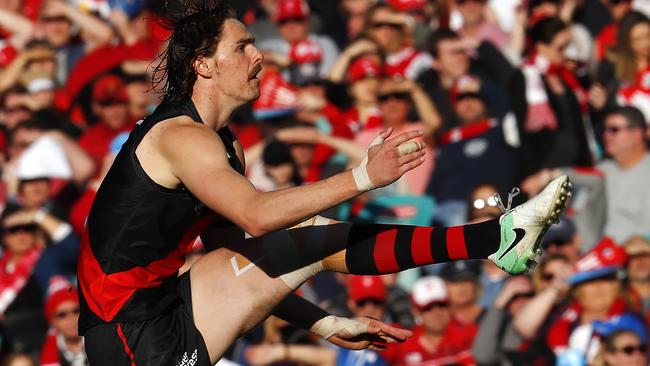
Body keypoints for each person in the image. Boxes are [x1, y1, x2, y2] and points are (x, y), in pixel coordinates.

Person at [76, 1, 571, 365]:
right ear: (203, 65)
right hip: (125, 333)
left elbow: (237, 248)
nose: (259, 56)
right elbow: (256, 216)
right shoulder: (181, 137)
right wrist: (360, 177)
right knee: (307, 233)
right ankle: (494, 240)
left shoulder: (226, 142)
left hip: (167, 303)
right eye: (242, 46)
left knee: (313, 235)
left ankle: (495, 239)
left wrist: (322, 322)